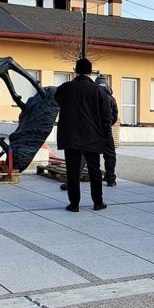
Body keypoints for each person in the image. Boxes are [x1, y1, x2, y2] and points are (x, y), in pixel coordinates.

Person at [55, 58, 112, 212]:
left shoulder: (65, 88)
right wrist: (105, 136)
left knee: (72, 171)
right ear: (90, 71)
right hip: (92, 136)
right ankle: (98, 202)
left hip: (70, 135)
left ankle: (74, 204)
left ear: (75, 70)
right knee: (94, 170)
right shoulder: (98, 90)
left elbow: (57, 101)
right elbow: (106, 116)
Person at [95, 75, 118, 187]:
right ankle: (110, 178)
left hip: (92, 130)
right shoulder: (111, 98)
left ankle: (95, 177)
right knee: (110, 155)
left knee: (90, 155)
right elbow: (115, 116)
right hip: (106, 130)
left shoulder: (92, 95)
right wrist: (108, 124)